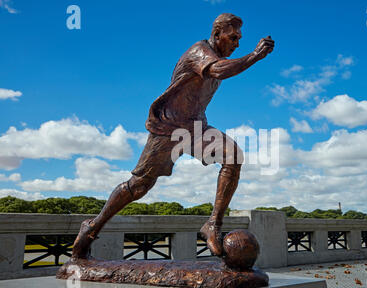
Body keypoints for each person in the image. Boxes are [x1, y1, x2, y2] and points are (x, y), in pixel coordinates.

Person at [72, 13, 275, 259]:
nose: (237, 43)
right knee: (139, 186)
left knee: (233, 155)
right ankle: (92, 227)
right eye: (233, 37)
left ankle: (213, 225)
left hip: (196, 128)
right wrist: (255, 56)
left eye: (239, 39)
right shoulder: (200, 52)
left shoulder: (218, 58)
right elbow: (219, 71)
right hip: (169, 130)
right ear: (217, 34)